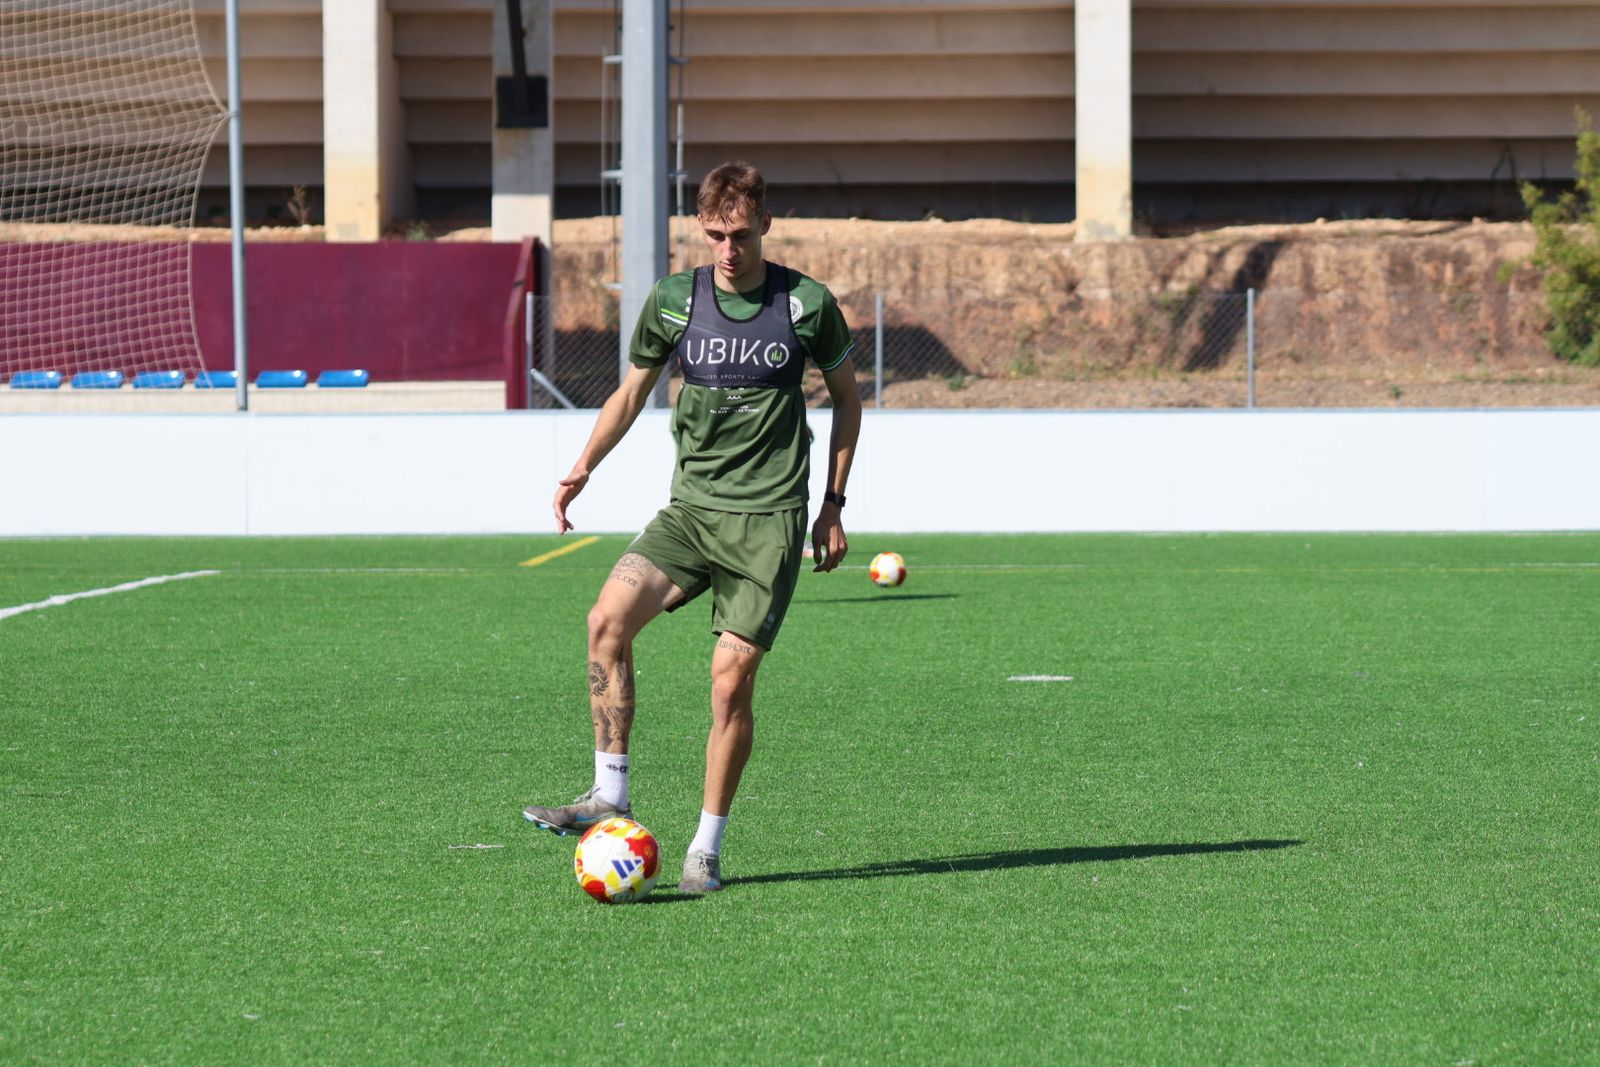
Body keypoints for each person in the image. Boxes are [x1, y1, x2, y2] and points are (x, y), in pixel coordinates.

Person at [522, 161, 861, 894]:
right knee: (605, 621)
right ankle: (610, 791)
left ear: (765, 223)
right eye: (714, 235)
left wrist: (833, 503)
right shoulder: (675, 301)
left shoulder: (806, 304)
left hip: (768, 524)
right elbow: (630, 392)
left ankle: (705, 847)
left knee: (728, 684)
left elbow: (847, 399)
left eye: (740, 234)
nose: (728, 250)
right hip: (691, 513)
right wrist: (582, 466)